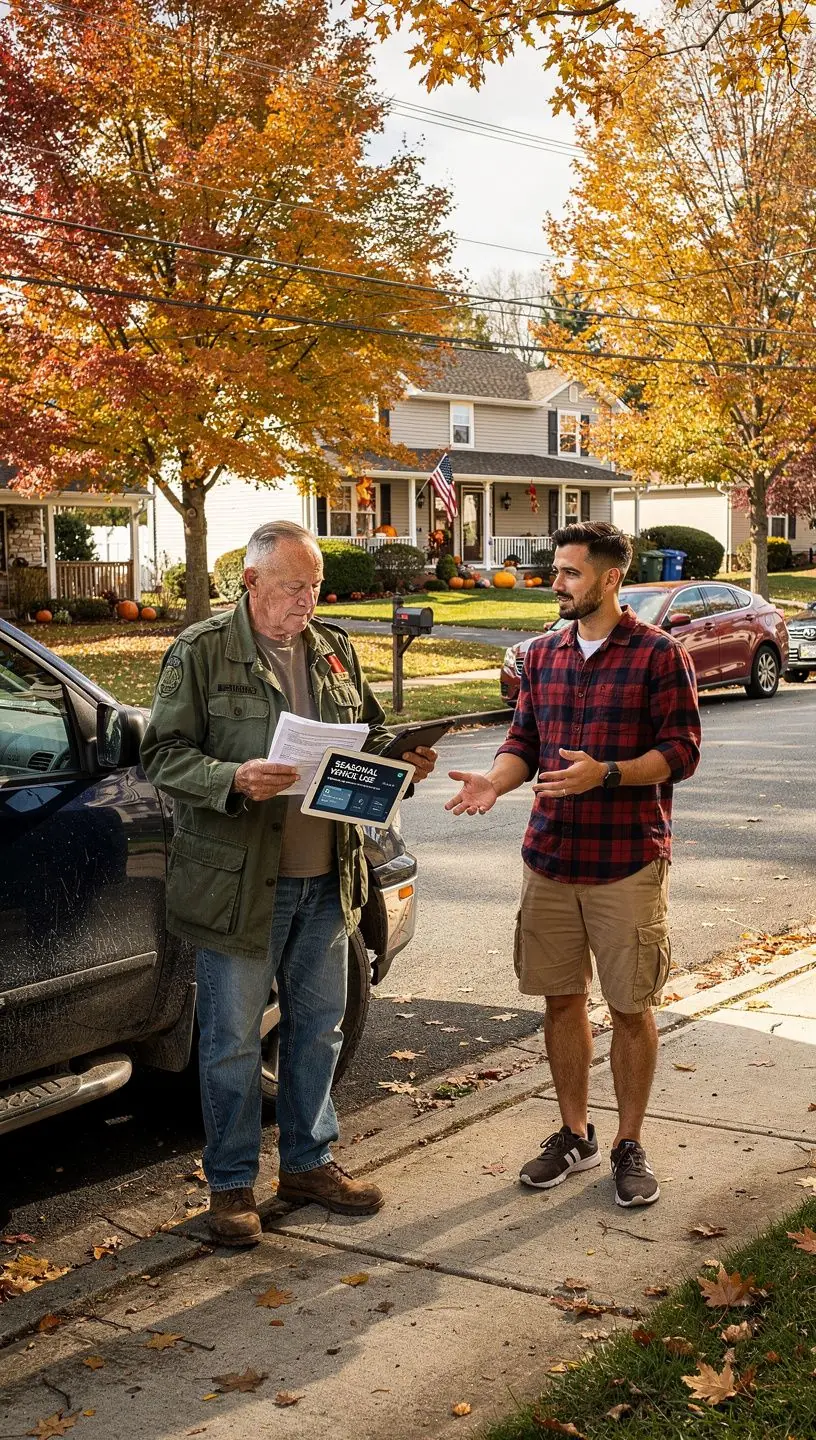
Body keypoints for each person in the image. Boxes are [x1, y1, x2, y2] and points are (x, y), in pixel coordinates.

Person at [141, 520, 436, 1245]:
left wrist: (402, 767)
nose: (307, 599)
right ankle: (231, 1187)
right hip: (240, 887)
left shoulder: (332, 649)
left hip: (327, 877)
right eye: (293, 586)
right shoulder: (203, 651)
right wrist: (233, 777)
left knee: (318, 1032)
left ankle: (309, 1161)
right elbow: (161, 756)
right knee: (233, 1043)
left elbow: (366, 738)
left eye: (314, 587)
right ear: (250, 583)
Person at [445, 522, 701, 1208]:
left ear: (611, 578)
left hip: (625, 860)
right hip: (551, 856)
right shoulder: (542, 656)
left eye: (569, 573)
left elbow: (682, 752)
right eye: (555, 571)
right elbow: (523, 740)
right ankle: (574, 1133)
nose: (554, 583)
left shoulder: (659, 656)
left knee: (629, 1007)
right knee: (561, 1000)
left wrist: (608, 775)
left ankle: (629, 1141)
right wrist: (495, 784)